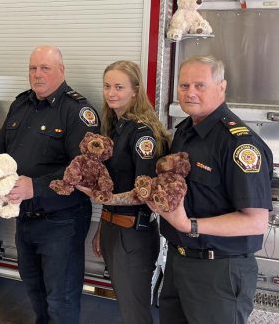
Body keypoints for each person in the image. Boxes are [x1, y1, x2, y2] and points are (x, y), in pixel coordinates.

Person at [154, 55, 272, 324]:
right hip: (178, 261)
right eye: (184, 86)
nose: (189, 92)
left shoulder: (239, 144)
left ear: (222, 87)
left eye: (200, 85)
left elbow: (255, 222)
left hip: (219, 270)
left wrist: (189, 225)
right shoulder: (185, 131)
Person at [0, 45, 99, 324]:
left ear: (61, 71)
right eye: (33, 68)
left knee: (60, 300)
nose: (37, 74)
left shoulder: (78, 111)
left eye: (45, 68)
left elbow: (84, 171)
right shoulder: (21, 104)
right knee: (34, 291)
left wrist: (35, 188)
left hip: (61, 222)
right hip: (25, 217)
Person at [78, 60, 170, 324]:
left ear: (135, 90)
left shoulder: (143, 134)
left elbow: (145, 192)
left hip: (133, 235)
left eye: (119, 87)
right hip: (113, 229)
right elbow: (115, 182)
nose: (111, 93)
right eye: (107, 86)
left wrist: (104, 199)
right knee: (126, 306)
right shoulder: (116, 128)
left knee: (135, 313)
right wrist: (102, 225)